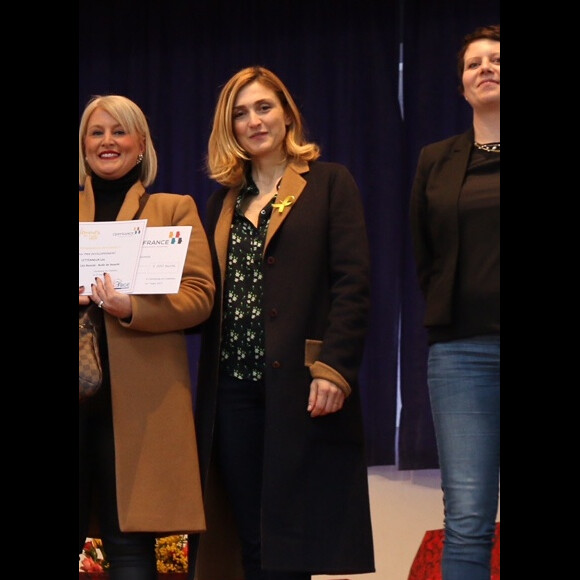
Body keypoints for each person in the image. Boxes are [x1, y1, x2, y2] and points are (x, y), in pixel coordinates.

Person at [189, 66, 375, 580]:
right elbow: (200, 293)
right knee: (249, 540)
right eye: (240, 113)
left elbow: (352, 284)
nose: (253, 121)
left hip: (300, 386)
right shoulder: (223, 201)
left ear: (288, 113)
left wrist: (333, 368)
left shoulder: (330, 183)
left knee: (293, 544)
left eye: (263, 107)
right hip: (232, 392)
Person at [78, 94, 215, 580]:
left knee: (130, 551)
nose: (107, 141)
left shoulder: (173, 209)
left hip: (139, 411)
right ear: (84, 146)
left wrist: (131, 307)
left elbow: (200, 296)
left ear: (141, 146)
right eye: (97, 132)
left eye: (120, 131)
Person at [409, 24, 500, 580]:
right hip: (460, 355)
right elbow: (426, 256)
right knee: (467, 520)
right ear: (463, 85)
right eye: (474, 64)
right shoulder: (435, 160)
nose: (485, 68)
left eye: (496, 58)